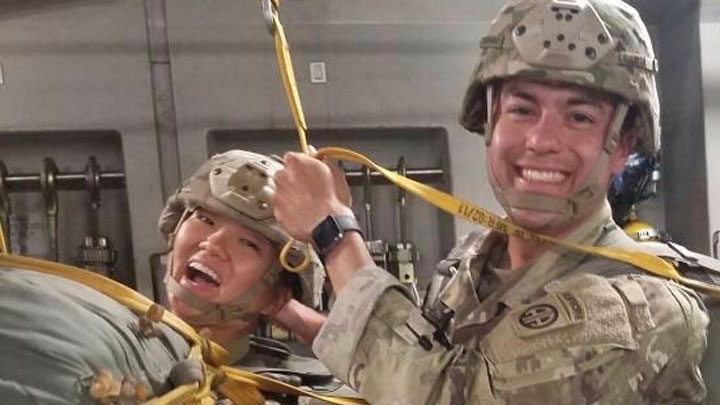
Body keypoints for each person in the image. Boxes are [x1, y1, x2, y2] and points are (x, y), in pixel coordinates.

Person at [271, 0, 711, 403]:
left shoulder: (641, 308)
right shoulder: (474, 259)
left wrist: (334, 233)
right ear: (490, 122)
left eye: (579, 117)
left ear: (620, 147)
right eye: (522, 109)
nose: (541, 141)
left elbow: (446, 394)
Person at [157, 149, 357, 403]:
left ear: (278, 292)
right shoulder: (105, 344)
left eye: (249, 243)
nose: (213, 243)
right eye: (205, 219)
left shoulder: (306, 396)